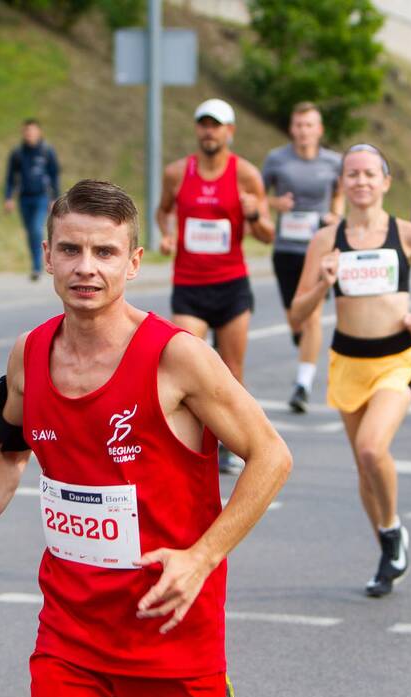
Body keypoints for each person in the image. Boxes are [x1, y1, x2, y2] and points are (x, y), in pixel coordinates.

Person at [0, 179, 291, 697]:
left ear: (132, 263)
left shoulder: (177, 357)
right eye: (71, 249)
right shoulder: (29, 353)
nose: (87, 267)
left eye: (104, 252)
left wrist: (202, 557)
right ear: (48, 256)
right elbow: (6, 447)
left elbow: (271, 455)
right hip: (69, 635)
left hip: (170, 633)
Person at [290, 144, 411, 597]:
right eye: (352, 174)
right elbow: (296, 318)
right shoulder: (326, 240)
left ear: (385, 182)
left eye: (369, 174)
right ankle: (386, 541)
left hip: (397, 358)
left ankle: (394, 529)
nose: (360, 181)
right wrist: (322, 281)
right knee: (365, 471)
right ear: (343, 183)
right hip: (349, 361)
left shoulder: (409, 235)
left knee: (369, 449)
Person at [157, 98, 274, 474]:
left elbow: (266, 234)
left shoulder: (246, 176)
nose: (209, 131)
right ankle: (190, 444)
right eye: (203, 124)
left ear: (230, 131)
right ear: (197, 130)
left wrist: (253, 212)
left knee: (231, 371)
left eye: (216, 125)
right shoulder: (178, 172)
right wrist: (168, 233)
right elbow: (163, 210)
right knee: (183, 363)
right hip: (189, 284)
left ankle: (232, 444)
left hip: (231, 286)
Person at [262, 102, 344, 413]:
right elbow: (259, 194)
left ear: (319, 129)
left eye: (309, 125)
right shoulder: (277, 159)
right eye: (298, 125)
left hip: (319, 247)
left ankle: (303, 385)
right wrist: (274, 203)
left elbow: (340, 194)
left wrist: (336, 215)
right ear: (291, 128)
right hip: (286, 248)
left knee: (310, 317)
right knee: (294, 317)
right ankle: (303, 345)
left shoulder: (334, 162)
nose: (303, 131)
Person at [4, 118, 60, 281]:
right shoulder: (18, 153)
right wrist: (8, 198)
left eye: (32, 131)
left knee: (37, 229)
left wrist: (55, 198)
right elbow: (10, 178)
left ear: (38, 132)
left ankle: (38, 265)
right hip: (24, 198)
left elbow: (54, 175)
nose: (29, 134)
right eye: (26, 131)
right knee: (30, 232)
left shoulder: (47, 151)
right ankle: (35, 264)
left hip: (41, 197)